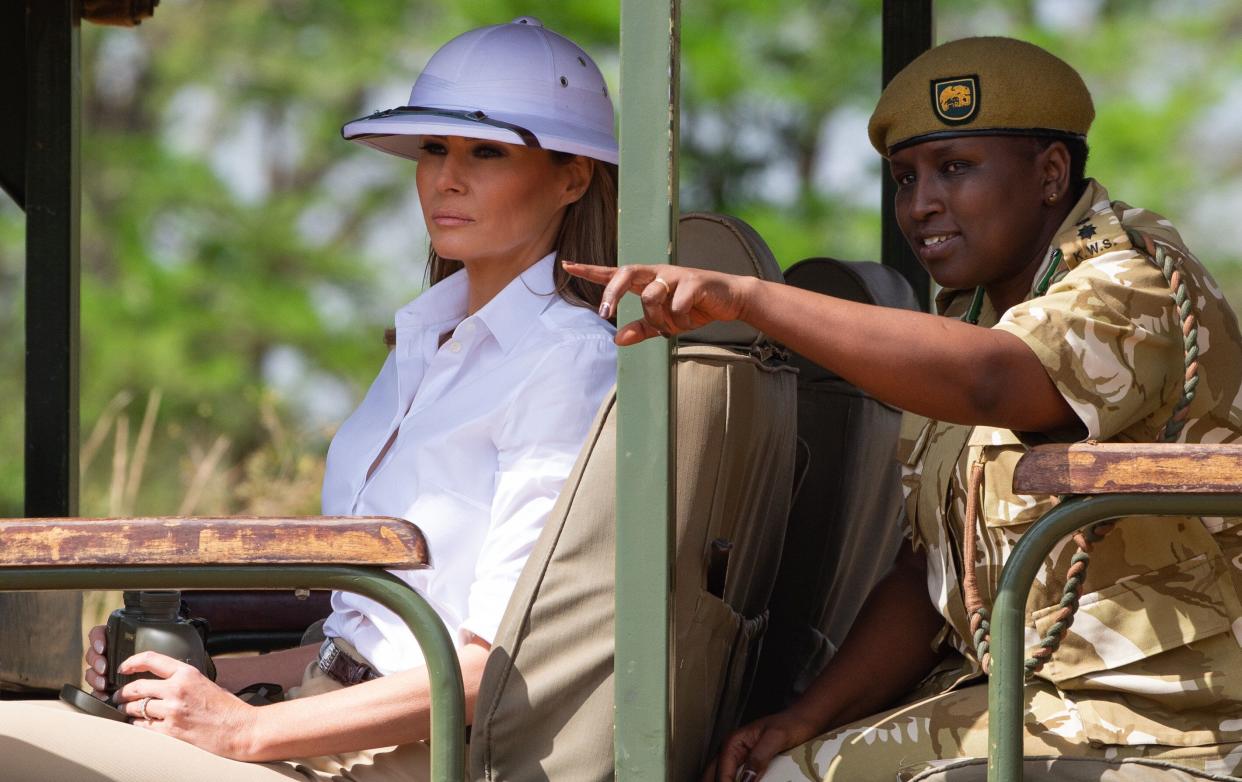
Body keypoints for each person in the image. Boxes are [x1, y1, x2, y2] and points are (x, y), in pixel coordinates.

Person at [566, 36, 1242, 781]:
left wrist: (749, 298)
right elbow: (930, 577)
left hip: (1165, 718)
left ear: (1051, 173)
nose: (921, 205)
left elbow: (995, 382)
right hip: (1028, 702)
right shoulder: (976, 314)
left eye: (956, 169)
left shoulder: (1131, 280)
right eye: (904, 177)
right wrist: (803, 718)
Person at [0, 16, 617, 782]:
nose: (446, 178)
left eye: (486, 153)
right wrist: (198, 683)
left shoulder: (566, 361)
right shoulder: (425, 341)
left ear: (573, 176)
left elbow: (493, 667)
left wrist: (247, 733)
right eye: (434, 149)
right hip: (325, 716)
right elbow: (364, 636)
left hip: (416, 758)